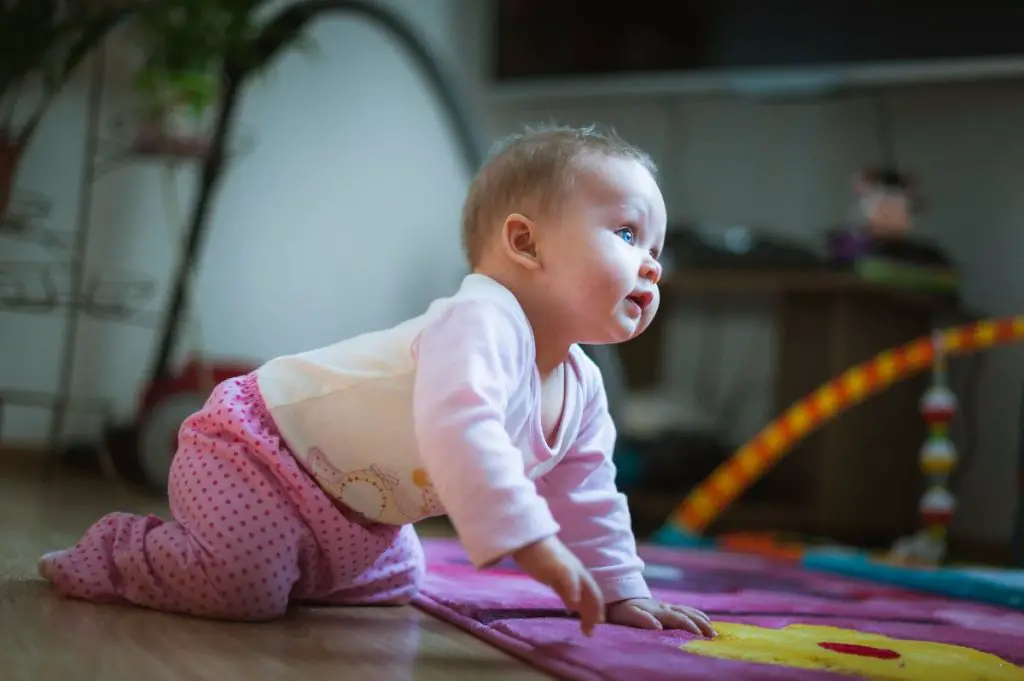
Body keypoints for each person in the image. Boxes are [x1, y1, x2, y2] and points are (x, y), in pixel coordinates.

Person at [39, 124, 715, 639]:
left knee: (407, 578)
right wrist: (531, 542)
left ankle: (289, 559)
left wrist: (621, 589)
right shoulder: (480, 321)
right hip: (255, 451)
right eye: (627, 233)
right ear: (525, 242)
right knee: (243, 593)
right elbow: (464, 432)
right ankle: (123, 551)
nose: (652, 266)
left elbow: (589, 491)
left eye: (657, 250)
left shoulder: (582, 386)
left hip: (357, 517)